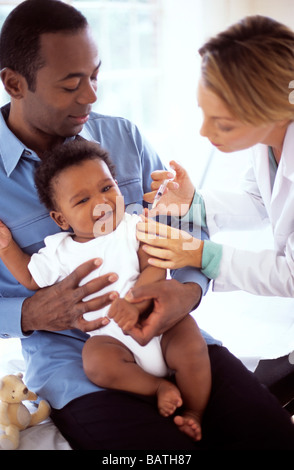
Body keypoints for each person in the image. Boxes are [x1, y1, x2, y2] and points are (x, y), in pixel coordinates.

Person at [0, 0, 294, 450]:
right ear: (14, 83)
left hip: (168, 328)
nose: (92, 96)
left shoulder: (123, 137)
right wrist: (28, 313)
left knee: (272, 437)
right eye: (72, 84)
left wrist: (187, 291)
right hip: (79, 363)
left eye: (95, 75)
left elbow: (187, 224)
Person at [0, 138, 211, 442]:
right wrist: (6, 248)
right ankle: (156, 388)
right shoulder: (59, 252)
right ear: (61, 219)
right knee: (95, 360)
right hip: (113, 342)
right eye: (82, 200)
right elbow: (31, 279)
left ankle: (194, 412)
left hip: (160, 326)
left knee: (190, 340)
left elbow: (154, 265)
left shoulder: (134, 226)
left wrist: (136, 300)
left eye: (106, 188)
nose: (100, 203)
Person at [135, 15, 294, 406]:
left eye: (221, 123)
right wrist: (195, 203)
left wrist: (202, 255)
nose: (204, 132)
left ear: (271, 109)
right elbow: (259, 200)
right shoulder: (270, 140)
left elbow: (291, 274)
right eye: (204, 113)